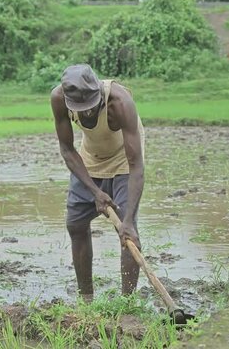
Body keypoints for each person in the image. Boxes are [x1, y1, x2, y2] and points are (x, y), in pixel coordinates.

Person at [50, 64, 145, 302]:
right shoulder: (59, 98)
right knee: (75, 225)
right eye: (80, 110)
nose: (87, 114)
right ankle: (87, 299)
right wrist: (94, 191)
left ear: (98, 96)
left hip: (124, 159)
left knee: (127, 233)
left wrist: (129, 219)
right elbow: (67, 149)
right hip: (89, 159)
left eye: (91, 108)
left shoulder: (120, 102)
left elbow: (136, 165)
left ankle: (126, 303)